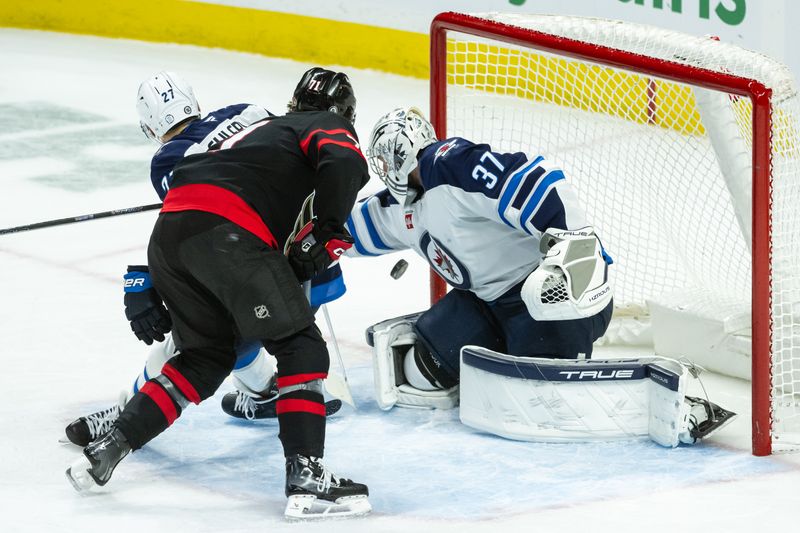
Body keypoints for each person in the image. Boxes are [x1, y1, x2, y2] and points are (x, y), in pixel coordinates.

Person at [66, 69, 372, 520]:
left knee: (203, 359)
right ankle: (306, 477)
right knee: (299, 345)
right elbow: (346, 164)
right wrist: (325, 231)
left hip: (169, 242)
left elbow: (195, 194)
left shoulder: (264, 128)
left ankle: (107, 451)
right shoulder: (319, 124)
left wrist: (144, 277)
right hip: (230, 236)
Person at [346, 107, 734, 446]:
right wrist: (300, 237)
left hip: (551, 295)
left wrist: (572, 245)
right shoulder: (401, 206)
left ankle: (674, 403)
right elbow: (351, 228)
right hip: (488, 303)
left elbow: (537, 179)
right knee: (421, 371)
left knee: (545, 399)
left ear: (396, 155)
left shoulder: (449, 164)